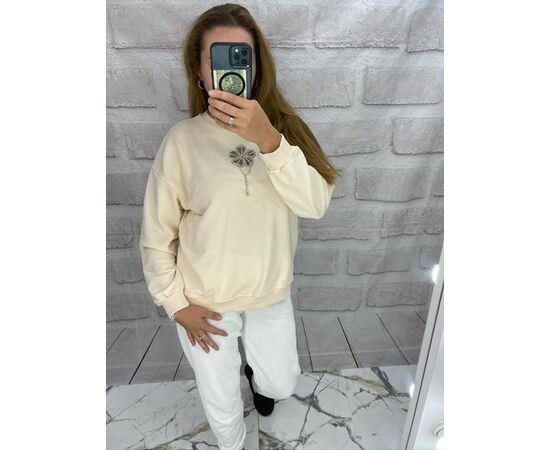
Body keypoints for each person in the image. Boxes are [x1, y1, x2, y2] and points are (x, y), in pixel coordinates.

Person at [139, 4, 341, 449]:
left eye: (241, 56)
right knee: (221, 398)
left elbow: (314, 205)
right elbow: (156, 233)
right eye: (217, 57)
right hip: (205, 301)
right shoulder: (182, 140)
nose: (229, 69)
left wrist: (269, 140)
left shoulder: (285, 130)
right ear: (199, 70)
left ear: (256, 65)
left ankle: (259, 376)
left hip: (269, 292)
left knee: (281, 383)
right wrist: (175, 304)